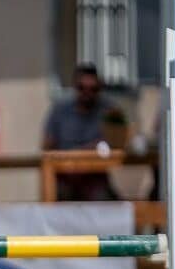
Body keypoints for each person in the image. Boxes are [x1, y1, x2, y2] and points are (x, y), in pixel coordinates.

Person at [42, 63, 124, 200]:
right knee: (58, 199)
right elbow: (47, 145)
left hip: (95, 178)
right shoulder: (60, 110)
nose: (87, 93)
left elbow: (120, 139)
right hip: (65, 177)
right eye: (82, 88)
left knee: (105, 201)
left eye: (93, 89)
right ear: (75, 87)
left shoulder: (109, 111)